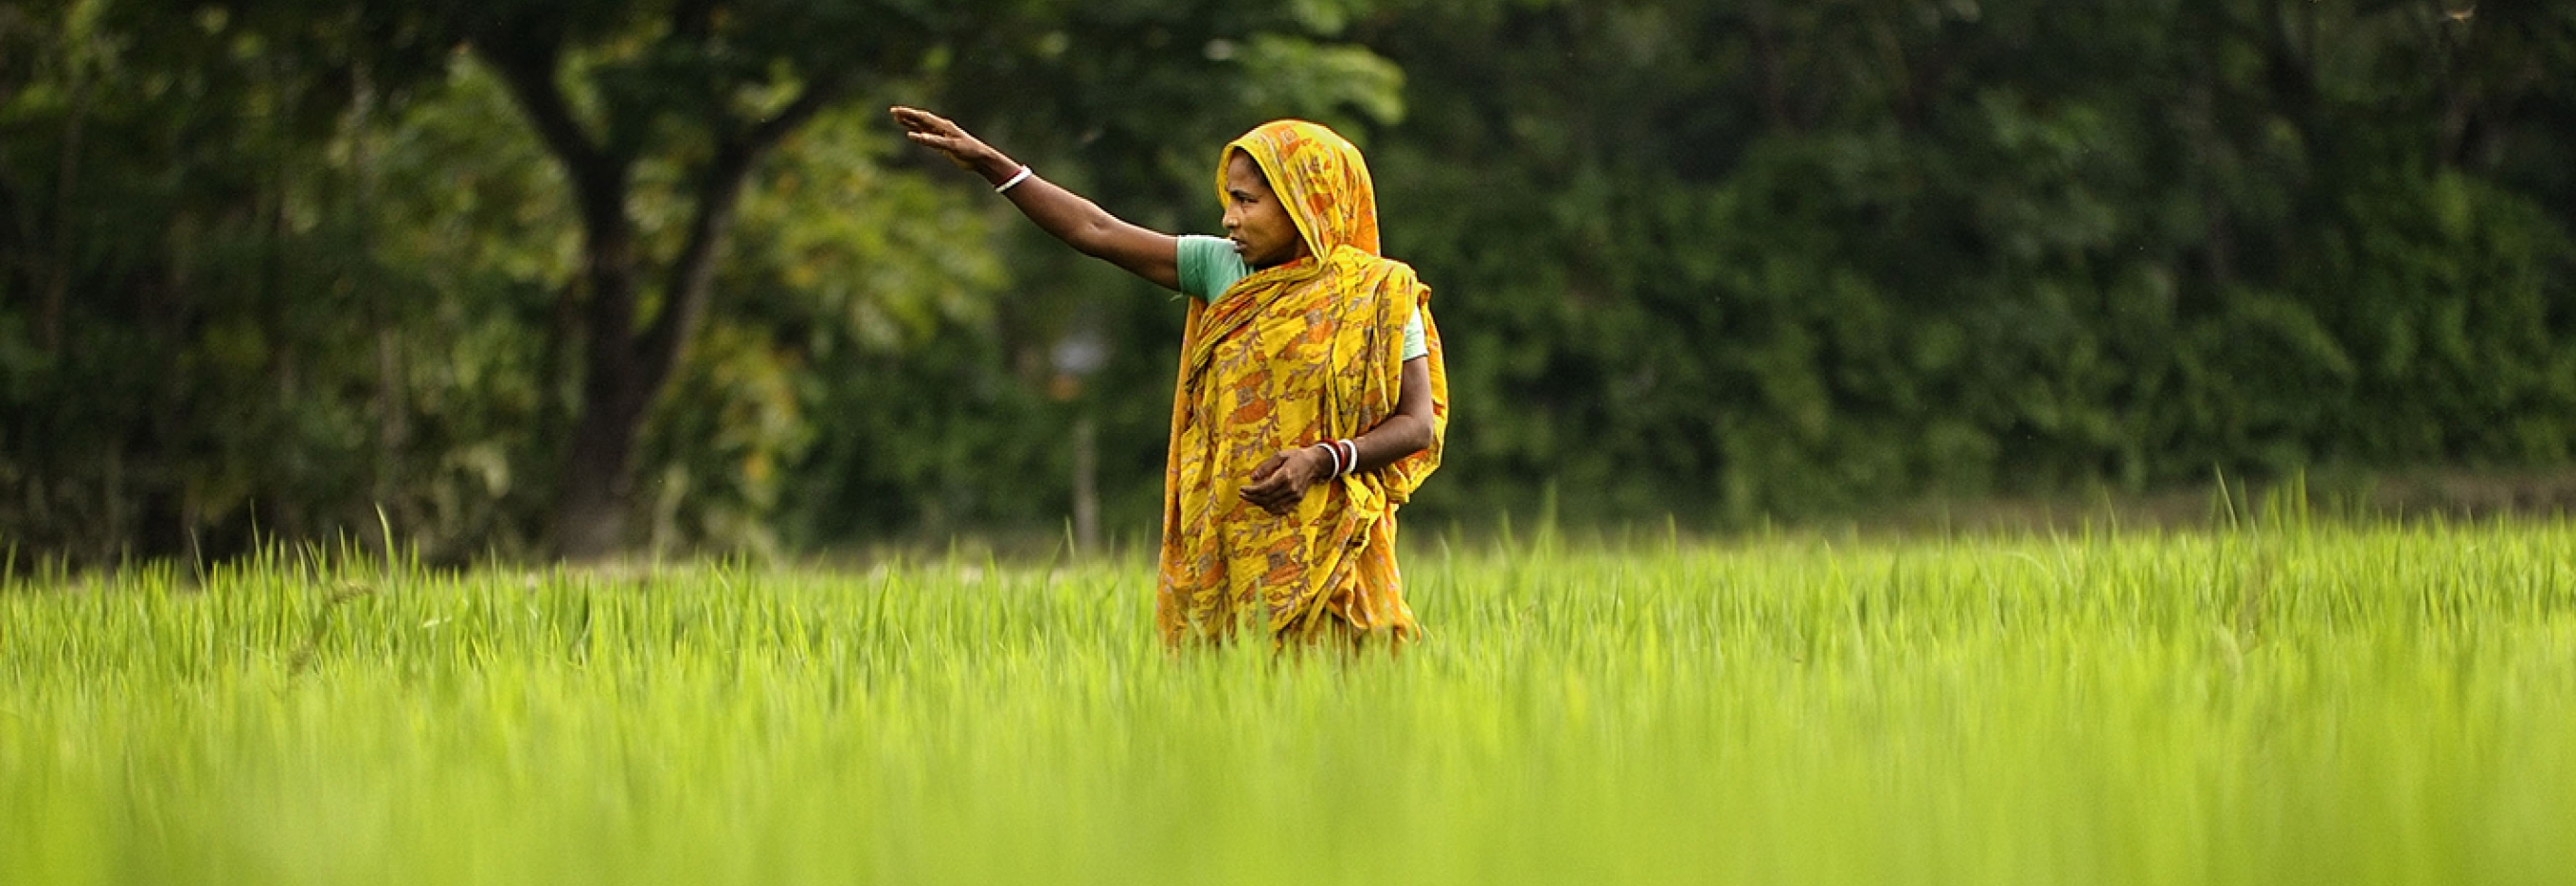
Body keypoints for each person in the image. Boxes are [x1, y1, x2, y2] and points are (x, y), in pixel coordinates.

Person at [891, 106, 1448, 649]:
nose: (1229, 217)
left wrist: (1322, 459)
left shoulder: (1379, 295)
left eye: (1246, 201)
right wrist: (995, 166)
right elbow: (1096, 229)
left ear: (1307, 204)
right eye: (1228, 198)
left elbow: (1416, 424)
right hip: (1234, 536)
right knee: (1239, 695)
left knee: (1352, 689)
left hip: (1339, 544)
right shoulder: (1221, 267)